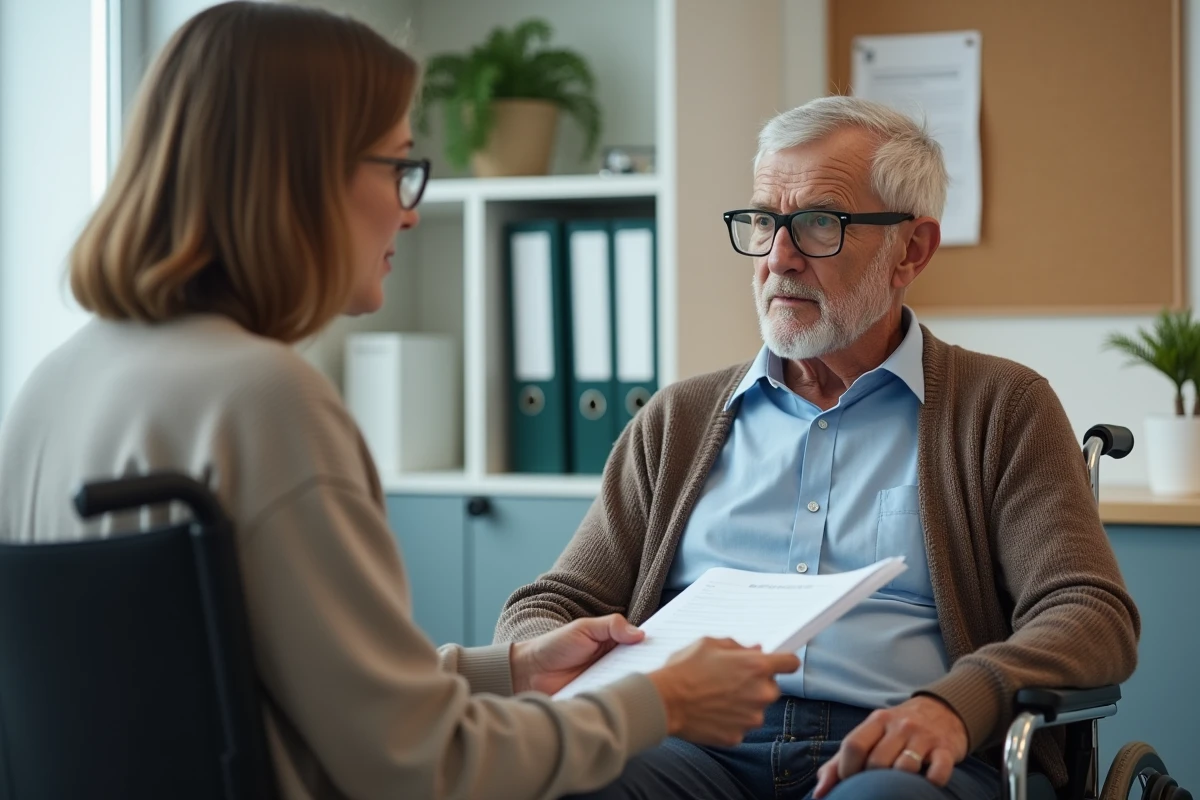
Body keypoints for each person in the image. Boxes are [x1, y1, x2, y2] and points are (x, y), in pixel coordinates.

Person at [0, 3, 801, 799]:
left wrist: (512, 668)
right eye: (398, 167)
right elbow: (425, 767)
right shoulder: (263, 401)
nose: (411, 211)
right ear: (301, 174)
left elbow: (242, 680)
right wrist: (658, 701)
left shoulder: (53, 387)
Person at [494, 95, 1141, 800]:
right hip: (689, 752)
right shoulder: (677, 420)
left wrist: (958, 703)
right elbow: (551, 602)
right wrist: (544, 659)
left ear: (911, 250)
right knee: (561, 779)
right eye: (762, 222)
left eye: (817, 225)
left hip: (894, 753)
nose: (779, 257)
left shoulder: (1000, 408)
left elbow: (1089, 611)